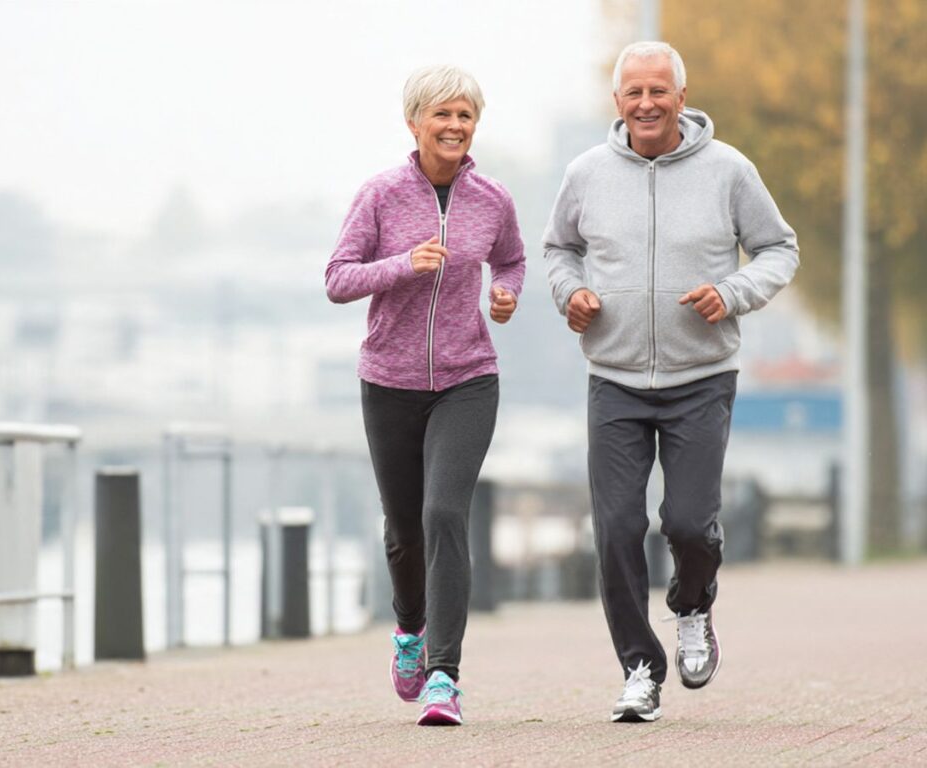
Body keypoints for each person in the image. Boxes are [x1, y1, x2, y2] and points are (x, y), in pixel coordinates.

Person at [543, 41, 799, 723]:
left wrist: (734, 291)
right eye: (635, 93)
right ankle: (638, 666)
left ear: (682, 98)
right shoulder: (587, 173)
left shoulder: (729, 171)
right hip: (615, 378)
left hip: (700, 377)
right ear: (618, 102)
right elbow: (558, 249)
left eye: (660, 91)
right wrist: (570, 293)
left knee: (687, 523)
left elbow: (779, 247)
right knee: (618, 528)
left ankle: (692, 608)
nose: (648, 104)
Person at [325, 65, 525, 726]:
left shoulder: (492, 198)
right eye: (442, 115)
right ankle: (409, 631)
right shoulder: (381, 196)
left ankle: (444, 676)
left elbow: (513, 259)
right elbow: (338, 278)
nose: (455, 127)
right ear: (414, 122)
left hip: (469, 380)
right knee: (404, 530)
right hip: (389, 381)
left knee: (444, 514)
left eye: (465, 116)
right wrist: (403, 264)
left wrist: (506, 294)